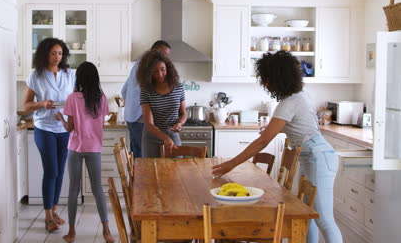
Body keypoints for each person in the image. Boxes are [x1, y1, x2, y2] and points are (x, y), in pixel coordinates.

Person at [212, 51, 343, 243]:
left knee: (325, 219)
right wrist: (277, 128)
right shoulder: (299, 96)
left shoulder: (289, 102)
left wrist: (231, 164)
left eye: (267, 79)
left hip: (318, 156)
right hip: (315, 155)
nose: (265, 84)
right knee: (309, 216)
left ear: (278, 78)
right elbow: (303, 127)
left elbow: (262, 142)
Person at [54, 62, 115, 243]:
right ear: (95, 78)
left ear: (79, 78)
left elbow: (69, 128)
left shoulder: (72, 98)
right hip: (94, 148)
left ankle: (71, 233)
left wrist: (60, 118)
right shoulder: (101, 98)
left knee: (73, 189)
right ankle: (107, 231)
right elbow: (101, 124)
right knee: (98, 189)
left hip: (75, 148)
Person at [23, 38, 75, 232]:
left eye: (60, 53)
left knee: (60, 171)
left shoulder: (70, 74)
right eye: (53, 53)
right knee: (51, 170)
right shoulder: (35, 75)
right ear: (45, 54)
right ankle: (47, 216)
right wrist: (42, 104)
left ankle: (54, 211)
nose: (57, 57)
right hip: (44, 128)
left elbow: (76, 99)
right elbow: (26, 105)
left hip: (63, 128)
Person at [121, 40, 171, 158]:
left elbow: (124, 91)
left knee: (137, 153)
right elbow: (151, 93)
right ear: (154, 51)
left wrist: (131, 107)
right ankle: (143, 177)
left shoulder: (138, 64)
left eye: (167, 55)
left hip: (131, 117)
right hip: (140, 117)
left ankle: (137, 177)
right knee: (145, 155)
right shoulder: (147, 67)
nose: (165, 58)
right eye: (163, 54)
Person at [136, 50, 187, 158]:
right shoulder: (146, 90)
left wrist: (179, 123)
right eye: (155, 72)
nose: (160, 74)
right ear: (148, 73)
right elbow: (149, 124)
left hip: (172, 133)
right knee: (151, 172)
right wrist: (164, 138)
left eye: (162, 69)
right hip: (152, 136)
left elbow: (183, 113)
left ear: (168, 68)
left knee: (176, 170)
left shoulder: (178, 87)